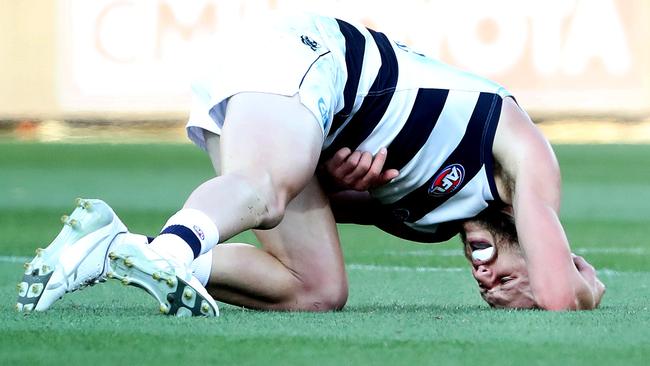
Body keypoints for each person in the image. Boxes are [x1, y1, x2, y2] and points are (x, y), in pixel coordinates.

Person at [16, 14, 604, 316]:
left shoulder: (429, 220)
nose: (490, 286)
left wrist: (344, 182)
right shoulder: (525, 156)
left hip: (287, 107)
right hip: (308, 60)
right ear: (548, 244)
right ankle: (171, 254)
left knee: (316, 288)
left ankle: (114, 246)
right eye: (517, 279)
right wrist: (589, 288)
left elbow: (315, 194)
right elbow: (557, 296)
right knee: (263, 192)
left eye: (493, 294)